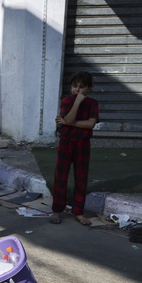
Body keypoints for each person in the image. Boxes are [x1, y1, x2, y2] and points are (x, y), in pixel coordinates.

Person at [49, 71, 99, 226]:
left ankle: (78, 211)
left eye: (81, 87)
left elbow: (90, 124)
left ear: (89, 88)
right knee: (61, 175)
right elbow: (70, 118)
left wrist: (67, 122)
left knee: (81, 177)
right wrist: (77, 102)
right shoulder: (67, 101)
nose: (77, 90)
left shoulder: (92, 104)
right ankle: (57, 209)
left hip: (82, 143)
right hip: (66, 142)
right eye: (75, 86)